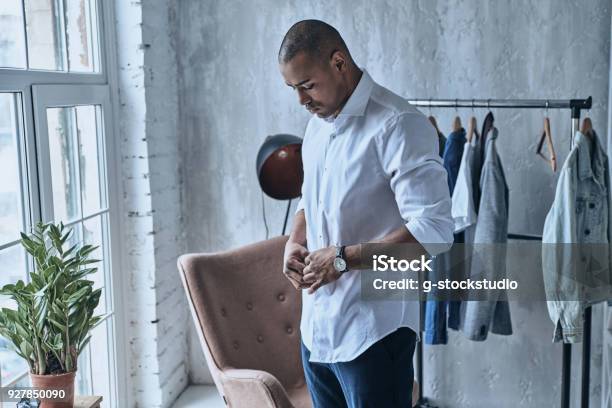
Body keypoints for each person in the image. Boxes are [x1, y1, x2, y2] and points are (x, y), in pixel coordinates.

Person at [278, 19, 453, 408]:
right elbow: (310, 199)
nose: (301, 101)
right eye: (293, 89)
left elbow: (436, 230)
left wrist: (343, 258)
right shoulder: (316, 126)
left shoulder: (399, 124)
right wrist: (295, 241)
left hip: (375, 335)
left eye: (307, 86)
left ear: (339, 63)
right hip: (317, 330)